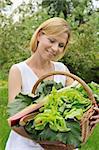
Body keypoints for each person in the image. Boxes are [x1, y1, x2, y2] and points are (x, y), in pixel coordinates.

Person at [5, 17, 99, 150]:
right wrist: (46, 140)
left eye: (61, 45)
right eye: (52, 40)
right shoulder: (18, 70)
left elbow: (82, 100)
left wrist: (93, 113)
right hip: (26, 145)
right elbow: (14, 120)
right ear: (39, 36)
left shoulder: (61, 69)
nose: (55, 48)